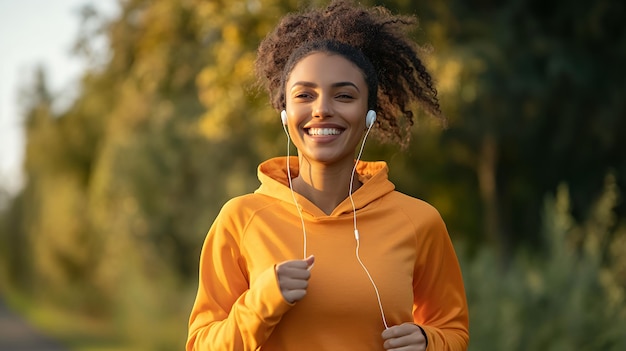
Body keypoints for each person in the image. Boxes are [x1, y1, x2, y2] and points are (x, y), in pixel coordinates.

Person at [186, 0, 469, 350]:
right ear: (285, 113)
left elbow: (453, 331)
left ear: (369, 115)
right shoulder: (241, 219)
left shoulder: (419, 221)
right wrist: (261, 302)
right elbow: (201, 344)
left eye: (344, 95)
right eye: (305, 95)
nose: (322, 109)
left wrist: (429, 342)